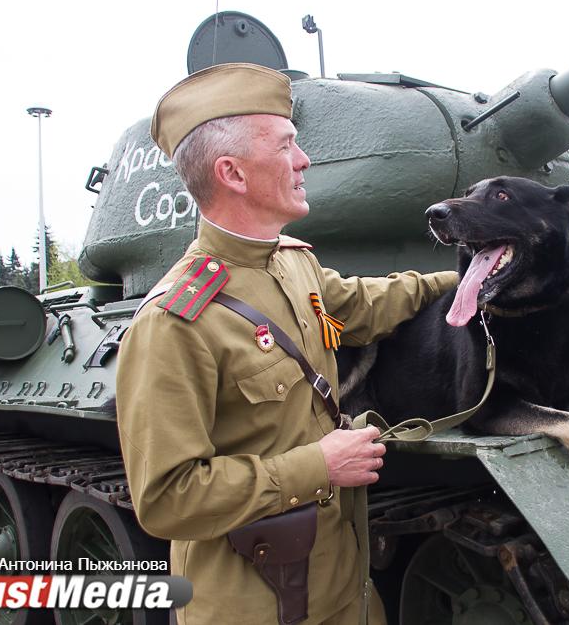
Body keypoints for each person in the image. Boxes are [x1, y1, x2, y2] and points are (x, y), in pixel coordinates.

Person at [115, 63, 458, 625]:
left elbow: (364, 304)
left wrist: (465, 282)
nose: (303, 161)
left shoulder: (293, 262)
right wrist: (318, 465)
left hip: (343, 588)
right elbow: (166, 498)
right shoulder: (174, 322)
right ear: (232, 172)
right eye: (286, 147)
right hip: (257, 607)